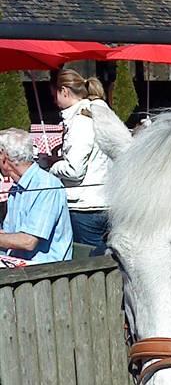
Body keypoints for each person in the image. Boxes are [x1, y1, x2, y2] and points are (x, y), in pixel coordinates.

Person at [48, 68, 112, 254]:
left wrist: (53, 165)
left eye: (55, 96)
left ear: (65, 91)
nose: (54, 101)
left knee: (90, 261)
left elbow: (75, 171)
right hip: (102, 199)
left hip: (85, 206)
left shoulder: (80, 122)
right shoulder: (98, 112)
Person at [0, 128, 73, 264]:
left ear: (3, 158)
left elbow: (28, 241)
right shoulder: (16, 188)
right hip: (19, 267)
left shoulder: (46, 185)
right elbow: (10, 234)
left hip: (47, 275)